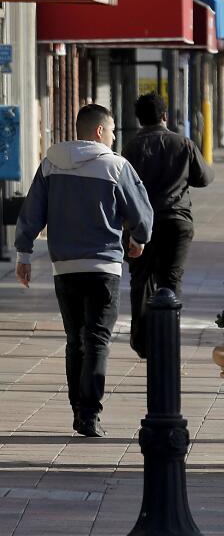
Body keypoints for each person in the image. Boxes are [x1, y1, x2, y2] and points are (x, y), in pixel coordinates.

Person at [15, 103, 154, 438]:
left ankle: (78, 408)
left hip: (65, 268)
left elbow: (32, 210)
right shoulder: (115, 166)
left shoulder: (50, 164)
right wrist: (139, 239)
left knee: (74, 339)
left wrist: (24, 254)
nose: (115, 137)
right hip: (104, 265)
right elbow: (142, 213)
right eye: (114, 131)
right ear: (99, 132)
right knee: (97, 339)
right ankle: (90, 414)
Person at [122, 92, 214, 358]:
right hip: (177, 221)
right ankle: (168, 334)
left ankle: (141, 339)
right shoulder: (183, 144)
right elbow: (205, 177)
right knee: (171, 279)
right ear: (165, 116)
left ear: (139, 119)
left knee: (140, 278)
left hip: (141, 224)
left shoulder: (130, 148)